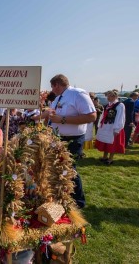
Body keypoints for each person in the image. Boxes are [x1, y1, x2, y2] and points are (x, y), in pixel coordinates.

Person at [46, 74, 96, 208]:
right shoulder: (58, 98)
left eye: (52, 86)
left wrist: (62, 120)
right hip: (58, 138)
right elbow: (53, 114)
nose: (52, 89)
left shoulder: (78, 94)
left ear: (56, 84)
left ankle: (78, 202)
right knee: (58, 169)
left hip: (72, 139)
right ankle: (62, 196)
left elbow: (91, 116)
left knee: (69, 170)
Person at [95, 90, 126, 165]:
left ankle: (110, 158)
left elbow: (120, 117)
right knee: (106, 142)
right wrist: (100, 125)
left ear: (115, 96)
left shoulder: (119, 105)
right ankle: (104, 156)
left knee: (112, 143)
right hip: (106, 126)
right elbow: (103, 115)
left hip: (114, 126)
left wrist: (117, 128)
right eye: (108, 96)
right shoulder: (107, 105)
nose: (108, 97)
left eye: (110, 96)